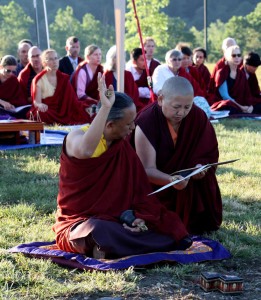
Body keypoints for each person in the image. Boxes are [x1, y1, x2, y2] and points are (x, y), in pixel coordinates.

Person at [52, 75, 192, 258]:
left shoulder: (121, 146)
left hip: (119, 219)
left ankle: (111, 247)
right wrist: (106, 108)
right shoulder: (76, 137)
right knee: (98, 230)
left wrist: (135, 217)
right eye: (128, 124)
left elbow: (138, 192)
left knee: (171, 224)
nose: (133, 127)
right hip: (80, 220)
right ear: (110, 125)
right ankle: (106, 244)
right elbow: (86, 151)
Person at [134, 77, 222, 234]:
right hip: (156, 188)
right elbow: (145, 169)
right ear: (161, 100)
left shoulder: (197, 117)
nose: (181, 113)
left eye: (187, 107)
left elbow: (208, 153)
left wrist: (199, 168)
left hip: (188, 187)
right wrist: (171, 180)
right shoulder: (147, 121)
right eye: (176, 107)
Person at [27, 49, 93, 125]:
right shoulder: (38, 79)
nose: (54, 61)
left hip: (63, 109)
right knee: (40, 114)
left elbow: (72, 99)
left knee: (84, 110)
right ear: (44, 63)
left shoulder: (63, 78)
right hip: (48, 109)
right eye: (50, 59)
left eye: (56, 58)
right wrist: (40, 105)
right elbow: (36, 102)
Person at [208, 45, 260, 114]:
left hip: (240, 102)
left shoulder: (241, 74)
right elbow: (225, 96)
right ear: (227, 57)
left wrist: (250, 106)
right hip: (226, 103)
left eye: (239, 55)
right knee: (229, 105)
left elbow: (247, 95)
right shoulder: (221, 73)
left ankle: (247, 110)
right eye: (233, 55)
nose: (237, 58)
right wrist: (241, 107)